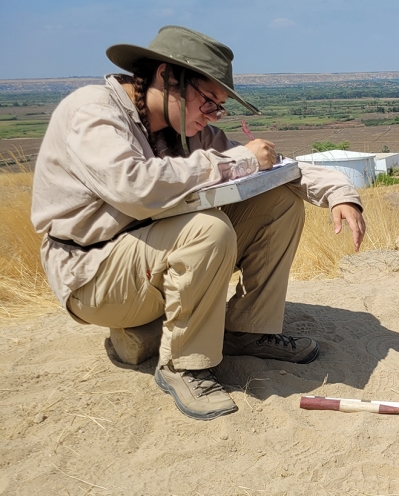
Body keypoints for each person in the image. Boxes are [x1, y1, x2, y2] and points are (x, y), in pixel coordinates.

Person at [30, 26, 366, 420]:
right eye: (208, 100)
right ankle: (182, 365)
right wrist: (238, 161)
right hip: (94, 276)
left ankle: (246, 329)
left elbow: (274, 170)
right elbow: (133, 188)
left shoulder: (187, 131)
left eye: (219, 107)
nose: (212, 114)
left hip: (148, 259)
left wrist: (339, 193)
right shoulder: (92, 110)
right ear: (166, 77)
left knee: (279, 201)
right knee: (208, 228)